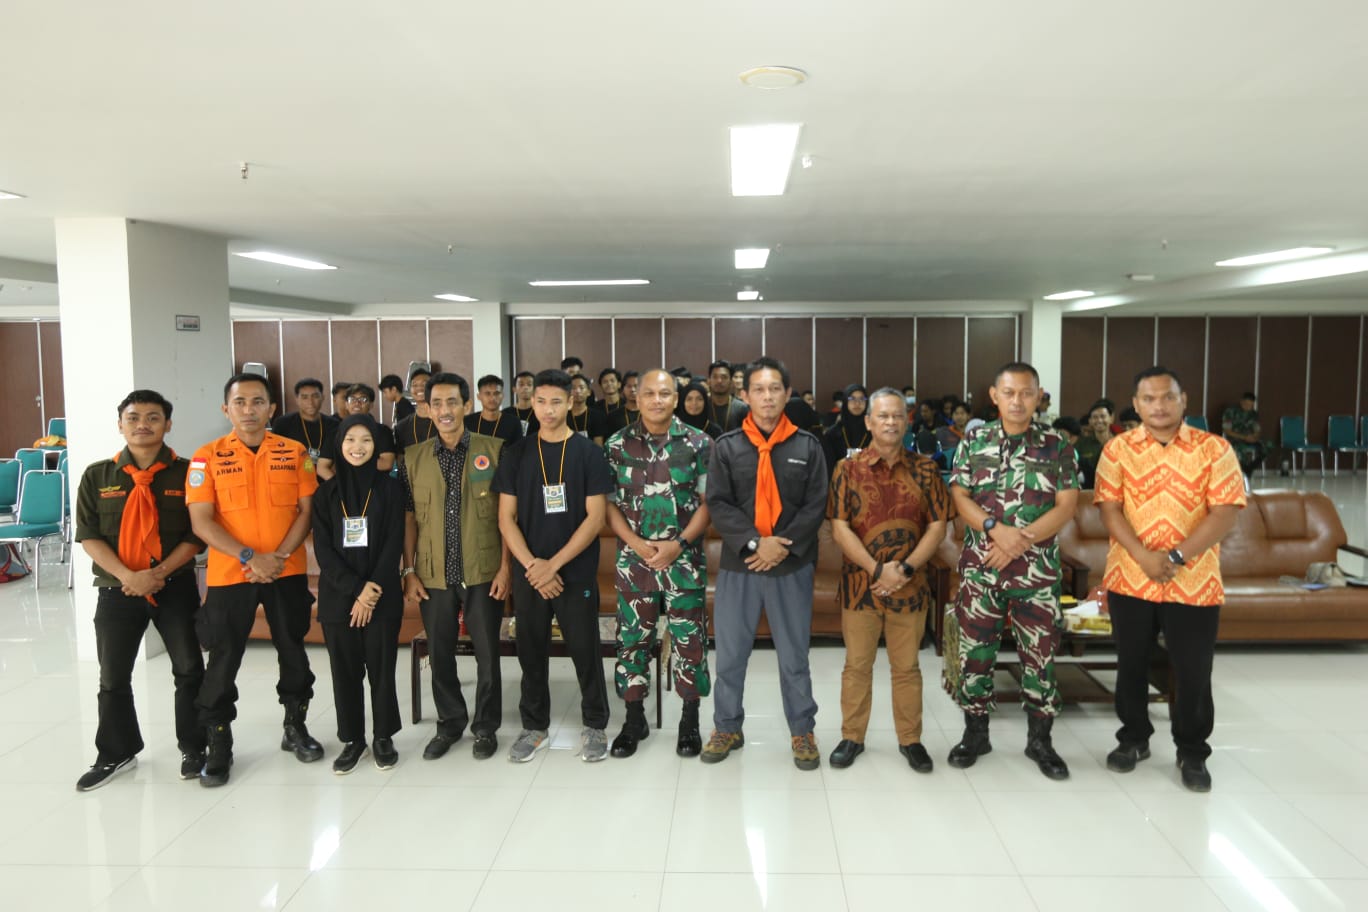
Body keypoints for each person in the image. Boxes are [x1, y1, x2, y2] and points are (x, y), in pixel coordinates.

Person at [1095, 367, 1245, 792]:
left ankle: (1192, 751)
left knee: (1193, 669)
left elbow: (1225, 513)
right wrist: (1143, 555)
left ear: (1184, 400)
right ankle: (1133, 738)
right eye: (1148, 399)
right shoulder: (1118, 449)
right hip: (1131, 576)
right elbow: (1109, 509)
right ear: (1135, 404)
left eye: (1167, 397)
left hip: (1193, 580)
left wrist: (1177, 555)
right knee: (1131, 664)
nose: (1158, 406)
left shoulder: (1215, 449)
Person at [186, 373, 322, 787]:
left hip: (285, 571)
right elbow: (201, 521)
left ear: (272, 409)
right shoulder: (206, 457)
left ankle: (295, 726)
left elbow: (306, 511)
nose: (249, 410)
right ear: (226, 409)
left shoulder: (295, 452)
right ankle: (219, 742)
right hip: (231, 574)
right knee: (223, 658)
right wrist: (249, 557)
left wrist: (275, 559)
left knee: (293, 652)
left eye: (258, 402)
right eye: (240, 402)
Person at [945, 361, 1079, 780]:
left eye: (1026, 393)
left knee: (1040, 658)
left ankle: (1040, 741)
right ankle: (975, 734)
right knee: (975, 655)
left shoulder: (1058, 445)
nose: (1017, 401)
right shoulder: (975, 441)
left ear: (1039, 396)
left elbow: (1067, 506)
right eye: (1009, 392)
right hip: (983, 570)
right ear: (994, 395)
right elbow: (959, 496)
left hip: (1036, 574)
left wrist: (1019, 540)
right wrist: (995, 530)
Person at [73, 390, 207, 790]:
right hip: (117, 590)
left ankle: (195, 747)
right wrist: (128, 576)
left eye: (153, 417)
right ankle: (116, 752)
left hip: (175, 586)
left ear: (168, 424)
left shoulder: (189, 473)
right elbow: (89, 535)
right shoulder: (98, 476)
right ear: (120, 425)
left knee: (189, 668)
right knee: (113, 675)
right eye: (133, 418)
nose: (142, 424)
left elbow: (197, 533)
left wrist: (158, 572)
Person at [702, 356, 829, 770]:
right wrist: (756, 543)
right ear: (745, 395)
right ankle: (726, 726)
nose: (768, 396)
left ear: (788, 394)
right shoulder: (727, 447)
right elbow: (719, 503)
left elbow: (816, 504)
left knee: (794, 656)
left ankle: (802, 730)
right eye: (759, 389)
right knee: (730, 655)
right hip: (741, 565)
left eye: (775, 388)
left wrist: (780, 547)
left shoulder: (808, 446)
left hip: (790, 565)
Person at [826, 388, 951, 774]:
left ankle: (911, 740)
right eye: (882, 416)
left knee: (907, 668)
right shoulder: (847, 469)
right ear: (868, 421)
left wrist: (906, 569)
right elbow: (839, 527)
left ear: (907, 420)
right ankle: (852, 737)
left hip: (910, 587)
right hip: (860, 585)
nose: (891, 422)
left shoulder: (926, 469)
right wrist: (877, 570)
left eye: (898, 415)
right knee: (856, 666)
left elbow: (938, 526)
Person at [494, 369, 615, 763]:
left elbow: (596, 518)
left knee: (584, 649)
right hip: (529, 573)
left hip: (574, 571)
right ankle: (534, 727)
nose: (548, 410)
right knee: (530, 651)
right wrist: (534, 567)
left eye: (556, 402)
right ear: (532, 403)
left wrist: (554, 566)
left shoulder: (588, 453)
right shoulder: (516, 453)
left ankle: (595, 724)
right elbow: (505, 518)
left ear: (571, 402)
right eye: (541, 402)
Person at [401, 373, 512, 761]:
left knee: (487, 655)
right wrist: (409, 571)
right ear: (427, 409)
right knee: (440, 653)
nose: (445, 410)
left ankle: (485, 727)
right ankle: (449, 723)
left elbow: (507, 517)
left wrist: (506, 569)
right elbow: (409, 518)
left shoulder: (494, 450)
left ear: (467, 405)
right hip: (433, 573)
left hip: (483, 569)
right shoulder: (413, 457)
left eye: (452, 402)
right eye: (437, 403)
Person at [603, 369, 714, 758]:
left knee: (690, 643)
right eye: (648, 393)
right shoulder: (617, 444)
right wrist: (636, 544)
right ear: (636, 398)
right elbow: (609, 506)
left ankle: (689, 721)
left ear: (676, 398)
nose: (656, 400)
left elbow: (708, 505)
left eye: (664, 394)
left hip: (684, 562)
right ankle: (634, 719)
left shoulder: (699, 443)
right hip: (635, 564)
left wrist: (678, 545)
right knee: (632, 642)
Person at [311, 414, 405, 773]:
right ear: (339, 446)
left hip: (381, 596)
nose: (358, 447)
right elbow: (324, 552)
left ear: (376, 446)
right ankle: (353, 739)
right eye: (350, 439)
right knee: (345, 672)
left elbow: (393, 543)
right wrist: (356, 590)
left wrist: (370, 592)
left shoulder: (391, 489)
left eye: (366, 439)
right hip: (339, 599)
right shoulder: (325, 493)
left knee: (382, 670)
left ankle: (383, 737)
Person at [317, 383, 397, 479]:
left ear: (371, 405)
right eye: (352, 399)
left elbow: (387, 463)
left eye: (363, 399)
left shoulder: (383, 431)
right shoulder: (336, 432)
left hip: (376, 485)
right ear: (346, 404)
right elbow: (321, 467)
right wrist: (338, 485)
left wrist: (345, 464)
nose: (357, 403)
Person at [271, 378, 341, 463]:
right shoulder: (283, 424)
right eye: (305, 397)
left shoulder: (334, 424)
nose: (310, 402)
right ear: (297, 400)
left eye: (315, 396)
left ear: (322, 398)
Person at [822, 383, 871, 477]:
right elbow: (828, 467)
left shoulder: (873, 431)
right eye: (852, 399)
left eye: (862, 399)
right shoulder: (832, 434)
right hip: (839, 481)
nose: (857, 403)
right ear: (845, 401)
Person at [465, 374, 523, 446]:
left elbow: (519, 450)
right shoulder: (467, 422)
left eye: (497, 393)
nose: (492, 398)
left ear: (503, 396)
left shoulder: (513, 422)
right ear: (479, 396)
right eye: (487, 394)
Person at [1222, 392, 1265, 479]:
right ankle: (1243, 469)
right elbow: (1227, 431)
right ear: (1241, 402)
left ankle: (1250, 467)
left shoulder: (1253, 414)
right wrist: (1244, 437)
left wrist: (1254, 437)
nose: (1248, 407)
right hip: (1235, 438)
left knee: (1268, 445)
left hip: (1249, 438)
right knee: (1239, 449)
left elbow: (1257, 429)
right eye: (1246, 404)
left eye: (1250, 405)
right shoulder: (1231, 412)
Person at [1074, 398, 1115, 488]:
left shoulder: (1120, 442)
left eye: (1103, 416)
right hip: (1089, 489)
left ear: (1111, 418)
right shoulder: (1081, 444)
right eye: (1095, 417)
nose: (1099, 420)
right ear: (1090, 421)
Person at [394, 369, 436, 451]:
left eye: (424, 384)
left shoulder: (443, 421)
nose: (419, 388)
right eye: (415, 385)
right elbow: (400, 456)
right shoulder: (401, 426)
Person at [706, 360, 749, 434]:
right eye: (715, 377)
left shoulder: (742, 408)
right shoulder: (703, 406)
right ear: (709, 381)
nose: (719, 381)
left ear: (731, 382)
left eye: (724, 377)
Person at [567, 373, 610, 445]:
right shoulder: (563, 416)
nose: (577, 391)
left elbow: (598, 446)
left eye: (581, 387)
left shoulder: (597, 416)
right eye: (573, 388)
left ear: (588, 392)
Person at [504, 370, 538, 437]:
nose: (525, 387)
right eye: (521, 384)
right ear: (514, 389)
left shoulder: (541, 412)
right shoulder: (505, 414)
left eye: (529, 384)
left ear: (535, 389)